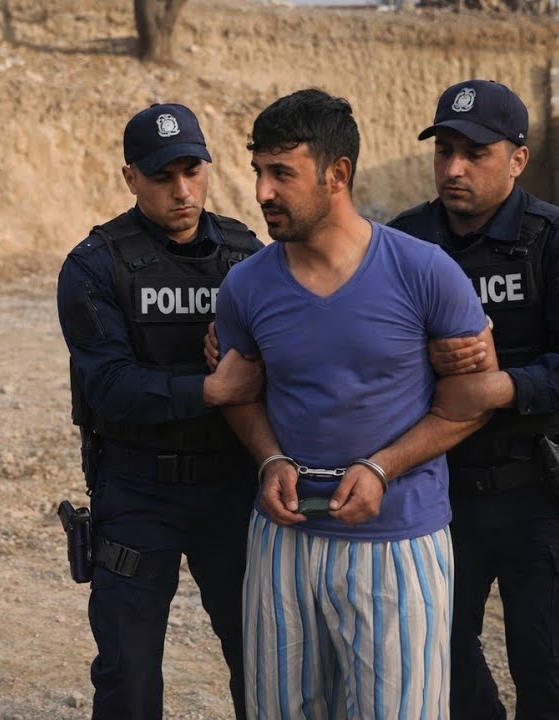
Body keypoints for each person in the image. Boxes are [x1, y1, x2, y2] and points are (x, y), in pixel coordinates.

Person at [213, 88, 498, 719]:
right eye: (258, 171)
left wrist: (381, 468)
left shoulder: (425, 272)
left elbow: (470, 402)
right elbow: (237, 394)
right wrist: (268, 460)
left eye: (281, 173)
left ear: (337, 174)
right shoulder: (245, 286)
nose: (261, 192)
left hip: (398, 543)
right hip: (282, 548)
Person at [389, 79, 559, 719]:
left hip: (536, 493)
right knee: (438, 656)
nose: (455, 168)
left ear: (517, 159)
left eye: (476, 153)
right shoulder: (403, 243)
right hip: (438, 493)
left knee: (545, 671)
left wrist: (502, 386)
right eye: (444, 151)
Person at [55, 102, 266, 720]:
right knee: (129, 673)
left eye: (192, 171)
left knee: (262, 661)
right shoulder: (96, 264)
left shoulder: (245, 254)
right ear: (130, 178)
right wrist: (213, 390)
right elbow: (111, 388)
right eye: (162, 176)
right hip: (137, 489)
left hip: (232, 487)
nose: (182, 190)